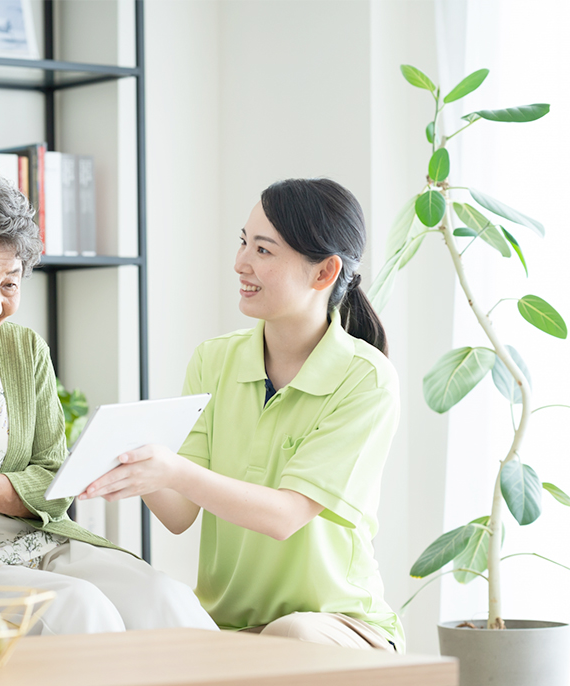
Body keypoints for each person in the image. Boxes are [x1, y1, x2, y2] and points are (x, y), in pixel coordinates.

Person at [0, 165, 217, 635]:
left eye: (10, 283)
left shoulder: (22, 349)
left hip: (41, 540)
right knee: (82, 609)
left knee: (165, 598)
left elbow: (53, 478)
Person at [80, 178, 405, 651]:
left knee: (290, 634)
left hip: (338, 628)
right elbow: (178, 512)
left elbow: (285, 516)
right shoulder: (214, 361)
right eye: (243, 242)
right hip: (228, 629)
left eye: (264, 251)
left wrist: (172, 467)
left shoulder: (366, 379)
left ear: (324, 272)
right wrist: (127, 458)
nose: (240, 263)